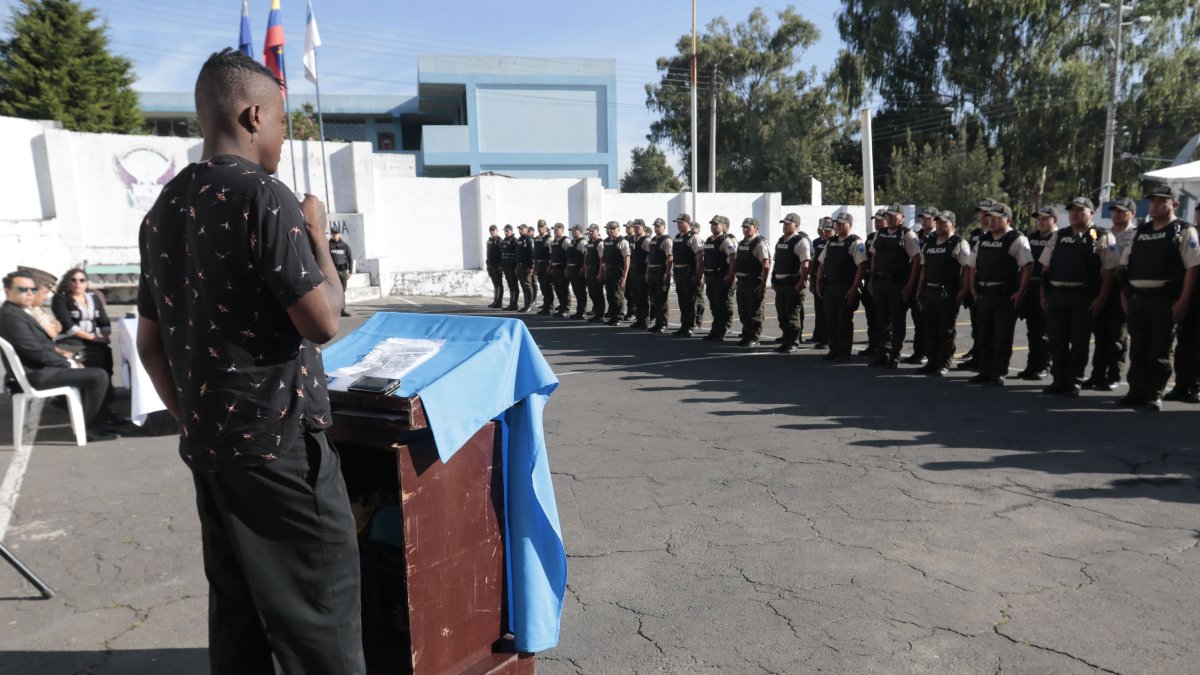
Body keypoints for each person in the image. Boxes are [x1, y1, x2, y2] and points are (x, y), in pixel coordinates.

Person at [134, 48, 363, 674]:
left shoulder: (161, 212)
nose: (285, 139)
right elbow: (322, 321)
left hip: (211, 449)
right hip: (280, 446)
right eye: (285, 123)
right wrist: (318, 240)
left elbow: (150, 344)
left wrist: (196, 419)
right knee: (321, 619)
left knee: (239, 617)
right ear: (253, 114)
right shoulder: (261, 195)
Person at [1, 271, 124, 441]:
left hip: (41, 368)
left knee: (97, 360)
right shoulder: (11, 317)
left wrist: (66, 357)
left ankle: (101, 417)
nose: (30, 293)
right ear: (7, 290)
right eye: (23, 289)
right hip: (36, 374)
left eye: (32, 289)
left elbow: (43, 346)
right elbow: (36, 352)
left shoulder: (18, 312)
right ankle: (90, 427)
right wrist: (69, 363)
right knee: (98, 376)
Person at [1119, 183, 1200, 411]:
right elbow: (1124, 267)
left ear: (1173, 204)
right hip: (1137, 299)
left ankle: (1154, 393)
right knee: (1138, 349)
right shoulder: (1139, 233)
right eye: (1152, 201)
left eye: (1160, 201)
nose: (1154, 205)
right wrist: (1125, 297)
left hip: (1165, 301)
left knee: (1160, 350)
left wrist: (1183, 300)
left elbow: (1192, 268)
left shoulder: (1184, 231)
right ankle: (1136, 391)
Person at [1039, 197, 1120, 397]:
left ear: (1091, 213)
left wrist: (1101, 298)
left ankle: (1074, 380)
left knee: (1079, 341)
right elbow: (1045, 268)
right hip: (1057, 295)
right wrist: (1044, 295)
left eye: (1080, 210)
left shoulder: (1100, 235)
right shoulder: (1059, 236)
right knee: (1056, 340)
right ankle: (1059, 379)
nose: (1074, 214)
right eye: (1072, 210)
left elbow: (1109, 271)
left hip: (1083, 297)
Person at [965, 202, 1034, 386]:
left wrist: (1020, 291)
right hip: (983, 294)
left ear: (1008, 220)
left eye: (997, 218)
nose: (991, 221)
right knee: (984, 335)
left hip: (1004, 296)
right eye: (990, 217)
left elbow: (1027, 265)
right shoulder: (983, 239)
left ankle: (998, 372)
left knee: (1002, 336)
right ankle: (984, 371)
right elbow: (971, 265)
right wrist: (972, 287)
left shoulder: (1017, 239)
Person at [1085, 197, 1137, 391]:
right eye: (1114, 211)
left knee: (1117, 336)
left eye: (1122, 211)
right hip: (1101, 287)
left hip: (1121, 288)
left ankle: (1113, 375)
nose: (1117, 214)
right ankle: (1097, 374)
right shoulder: (1101, 233)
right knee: (1100, 334)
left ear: (1132, 214)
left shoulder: (1136, 234)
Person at [915, 211, 970, 376]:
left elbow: (967, 268)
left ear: (953, 224)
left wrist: (964, 291)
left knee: (945, 330)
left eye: (943, 223)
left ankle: (944, 363)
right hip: (930, 291)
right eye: (937, 222)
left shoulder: (959, 243)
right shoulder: (929, 242)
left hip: (948, 292)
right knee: (930, 328)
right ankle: (932, 361)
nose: (939, 225)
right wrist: (919, 289)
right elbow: (924, 268)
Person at [869, 204, 921, 368]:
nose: (890, 218)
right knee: (882, 321)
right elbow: (874, 256)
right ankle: (882, 353)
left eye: (893, 215)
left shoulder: (908, 235)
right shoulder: (880, 233)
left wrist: (910, 285)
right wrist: (872, 278)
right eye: (888, 216)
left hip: (898, 284)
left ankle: (895, 355)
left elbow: (916, 260)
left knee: (897, 322)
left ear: (902, 217)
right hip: (880, 282)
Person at [814, 212, 867, 360]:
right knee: (830, 320)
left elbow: (861, 267)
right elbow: (821, 264)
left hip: (845, 287)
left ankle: (844, 353)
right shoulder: (831, 242)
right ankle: (834, 350)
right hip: (830, 287)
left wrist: (853, 289)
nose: (837, 225)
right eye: (837, 223)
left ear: (849, 225)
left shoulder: (855, 242)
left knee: (844, 321)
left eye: (841, 223)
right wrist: (818, 282)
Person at [51, 268, 114, 376]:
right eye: (73, 280)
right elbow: (68, 326)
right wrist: (96, 338)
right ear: (67, 281)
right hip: (70, 339)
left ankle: (106, 388)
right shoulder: (60, 299)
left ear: (86, 283)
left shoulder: (93, 298)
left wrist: (106, 336)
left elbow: (103, 320)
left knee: (105, 353)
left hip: (94, 339)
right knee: (91, 357)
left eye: (81, 280)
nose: (77, 283)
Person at [956, 198, 995, 371]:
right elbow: (968, 263)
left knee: (992, 327)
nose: (983, 216)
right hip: (975, 285)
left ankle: (990, 362)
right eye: (981, 213)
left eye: (987, 213)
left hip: (993, 287)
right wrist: (967, 286)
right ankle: (978, 355)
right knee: (977, 323)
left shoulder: (1002, 235)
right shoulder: (975, 234)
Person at [1019, 207, 1056, 380]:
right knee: (1032, 331)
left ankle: (1044, 365)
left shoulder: (1057, 238)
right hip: (1031, 287)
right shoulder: (1032, 238)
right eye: (1038, 219)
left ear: (1054, 220)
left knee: (1044, 331)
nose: (1040, 222)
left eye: (1045, 219)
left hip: (1047, 289)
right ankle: (1031, 365)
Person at [1168, 201, 1200, 402]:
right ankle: (1181, 385)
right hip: (1187, 296)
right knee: (1183, 344)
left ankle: (1196, 386)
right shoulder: (1188, 234)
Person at [771, 213, 812, 353]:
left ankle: (793, 342)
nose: (785, 226)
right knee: (782, 314)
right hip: (781, 284)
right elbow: (776, 262)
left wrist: (801, 282)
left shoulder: (800, 241)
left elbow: (806, 263)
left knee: (792, 315)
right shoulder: (781, 241)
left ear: (796, 225)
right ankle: (786, 339)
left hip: (792, 284)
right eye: (784, 223)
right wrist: (773, 278)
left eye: (788, 223)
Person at [906, 206, 939, 365]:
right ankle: (918, 352)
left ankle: (929, 353)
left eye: (927, 218)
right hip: (915, 281)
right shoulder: (916, 235)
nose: (924, 221)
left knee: (930, 322)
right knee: (918, 320)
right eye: (922, 218)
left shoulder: (938, 237)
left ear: (935, 220)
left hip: (930, 284)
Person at [734, 218, 771, 347]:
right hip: (742, 282)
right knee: (743, 311)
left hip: (753, 282)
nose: (745, 230)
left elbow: (766, 265)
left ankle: (754, 337)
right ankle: (747, 334)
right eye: (743, 227)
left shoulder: (759, 243)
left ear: (756, 228)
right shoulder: (742, 243)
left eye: (747, 227)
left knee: (754, 312)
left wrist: (762, 285)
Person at [702, 215, 737, 342]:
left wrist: (731, 275)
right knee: (713, 306)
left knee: (721, 306)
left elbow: (733, 258)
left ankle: (721, 331)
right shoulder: (709, 240)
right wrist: (704, 274)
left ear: (723, 226)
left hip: (721, 278)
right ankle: (715, 330)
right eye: (712, 224)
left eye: (716, 224)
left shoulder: (725, 240)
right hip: (710, 277)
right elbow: (706, 259)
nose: (713, 226)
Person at [671, 214, 704, 337]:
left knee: (690, 301)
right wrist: (674, 272)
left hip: (688, 272)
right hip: (679, 273)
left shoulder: (694, 237)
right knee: (682, 301)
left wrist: (698, 274)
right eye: (677, 223)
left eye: (681, 223)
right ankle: (684, 326)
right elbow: (675, 257)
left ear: (688, 223)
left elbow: (699, 256)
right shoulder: (678, 238)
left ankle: (690, 326)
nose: (679, 225)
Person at [858, 210, 885, 357]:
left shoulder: (892, 237)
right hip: (869, 281)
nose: (877, 223)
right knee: (871, 316)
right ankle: (873, 344)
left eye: (880, 220)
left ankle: (883, 347)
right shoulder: (870, 238)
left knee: (884, 317)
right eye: (876, 220)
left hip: (883, 282)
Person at [807, 218, 833, 349]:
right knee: (819, 311)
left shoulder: (833, 243)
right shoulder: (817, 242)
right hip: (818, 279)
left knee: (828, 311)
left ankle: (827, 338)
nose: (824, 230)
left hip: (830, 281)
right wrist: (812, 280)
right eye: (822, 227)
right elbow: (814, 263)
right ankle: (818, 335)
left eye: (827, 228)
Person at [18, 266, 63, 339]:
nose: (46, 298)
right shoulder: (29, 312)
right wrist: (53, 326)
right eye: (45, 293)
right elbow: (53, 334)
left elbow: (58, 325)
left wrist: (54, 325)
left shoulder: (35, 307)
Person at [646, 218, 673, 333]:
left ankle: (663, 324)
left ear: (664, 227)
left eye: (659, 226)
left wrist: (667, 274)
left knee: (662, 299)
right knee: (654, 299)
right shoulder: (652, 240)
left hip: (660, 271)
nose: (656, 228)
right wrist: (647, 272)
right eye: (655, 226)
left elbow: (670, 258)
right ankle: (657, 323)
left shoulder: (666, 240)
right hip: (652, 271)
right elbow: (649, 258)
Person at [627, 219, 651, 329]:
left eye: (638, 227)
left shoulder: (646, 240)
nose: (635, 229)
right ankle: (639, 319)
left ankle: (645, 320)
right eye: (634, 227)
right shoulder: (633, 239)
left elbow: (650, 257)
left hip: (642, 272)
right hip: (634, 271)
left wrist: (647, 272)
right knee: (635, 296)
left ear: (643, 227)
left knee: (643, 297)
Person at [329, 227, 353, 317]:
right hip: (332, 272)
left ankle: (342, 310)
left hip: (343, 272)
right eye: (333, 233)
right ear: (331, 234)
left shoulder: (345, 246)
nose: (335, 235)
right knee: (332, 291)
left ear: (339, 234)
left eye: (336, 233)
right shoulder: (328, 245)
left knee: (342, 292)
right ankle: (333, 311)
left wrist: (350, 271)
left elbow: (350, 259)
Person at [584, 224, 606, 323]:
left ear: (597, 231)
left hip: (596, 270)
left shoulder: (600, 243)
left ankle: (600, 315)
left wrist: (600, 273)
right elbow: (586, 257)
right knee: (592, 293)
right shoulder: (589, 243)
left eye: (592, 231)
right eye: (589, 231)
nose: (590, 233)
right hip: (590, 270)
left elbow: (602, 259)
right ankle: (596, 313)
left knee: (598, 294)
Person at [566, 224, 589, 319]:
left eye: (574, 230)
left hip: (578, 270)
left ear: (579, 231)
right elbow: (569, 257)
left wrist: (583, 267)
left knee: (580, 291)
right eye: (572, 230)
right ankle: (579, 311)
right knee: (576, 291)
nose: (572, 232)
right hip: (572, 270)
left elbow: (585, 255)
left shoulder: (582, 242)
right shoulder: (572, 242)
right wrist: (567, 268)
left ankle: (582, 311)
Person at [549, 222, 571, 317]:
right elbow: (552, 256)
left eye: (556, 229)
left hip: (562, 269)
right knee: (558, 289)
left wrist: (567, 268)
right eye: (554, 229)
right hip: (555, 269)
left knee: (564, 289)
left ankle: (566, 308)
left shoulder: (565, 241)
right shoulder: (554, 241)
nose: (554, 231)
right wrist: (550, 267)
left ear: (562, 230)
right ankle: (562, 307)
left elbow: (569, 256)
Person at [534, 220, 554, 315]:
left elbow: (552, 254)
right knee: (542, 287)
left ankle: (549, 307)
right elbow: (535, 253)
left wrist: (549, 266)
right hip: (539, 264)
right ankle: (545, 306)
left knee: (547, 286)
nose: (540, 228)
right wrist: (535, 266)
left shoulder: (549, 238)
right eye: (539, 226)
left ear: (546, 227)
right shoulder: (537, 238)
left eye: (542, 226)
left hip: (546, 264)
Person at [516, 224, 536, 312]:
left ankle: (529, 305)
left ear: (526, 229)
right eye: (519, 229)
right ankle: (526, 304)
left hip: (526, 266)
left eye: (522, 229)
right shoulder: (519, 240)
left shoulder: (529, 239)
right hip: (520, 265)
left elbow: (532, 253)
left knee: (528, 285)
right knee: (523, 285)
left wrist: (531, 266)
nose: (520, 230)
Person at [485, 225, 505, 308]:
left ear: (497, 230)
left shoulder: (500, 241)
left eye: (493, 230)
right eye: (491, 230)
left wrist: (501, 265)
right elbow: (488, 252)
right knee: (495, 284)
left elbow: (502, 254)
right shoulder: (489, 240)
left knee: (499, 283)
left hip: (497, 265)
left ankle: (499, 301)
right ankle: (495, 300)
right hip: (491, 265)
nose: (492, 232)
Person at [500, 224, 519, 310]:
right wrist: (502, 265)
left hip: (512, 266)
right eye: (505, 231)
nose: (506, 232)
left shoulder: (514, 240)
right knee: (510, 285)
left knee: (514, 285)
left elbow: (517, 254)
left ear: (511, 231)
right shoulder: (504, 241)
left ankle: (514, 304)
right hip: (506, 266)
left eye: (507, 231)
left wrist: (516, 266)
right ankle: (511, 303)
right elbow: (502, 254)